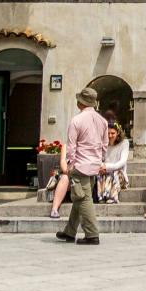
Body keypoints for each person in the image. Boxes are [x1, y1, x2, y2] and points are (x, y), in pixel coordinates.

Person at [58, 87, 107, 244]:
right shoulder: (103, 121)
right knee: (80, 197)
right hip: (94, 165)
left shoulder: (76, 120)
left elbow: (71, 147)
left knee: (84, 199)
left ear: (81, 102)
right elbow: (105, 145)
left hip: (80, 165)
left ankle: (92, 235)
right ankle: (70, 232)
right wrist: (100, 160)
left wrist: (70, 164)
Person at [99, 122, 131, 204]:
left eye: (113, 133)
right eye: (108, 133)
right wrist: (102, 167)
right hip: (105, 171)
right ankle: (102, 197)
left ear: (118, 133)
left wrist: (107, 167)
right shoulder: (103, 144)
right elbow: (99, 159)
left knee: (113, 173)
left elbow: (122, 162)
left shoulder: (124, 143)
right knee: (100, 173)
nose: (110, 136)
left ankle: (112, 197)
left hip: (120, 175)